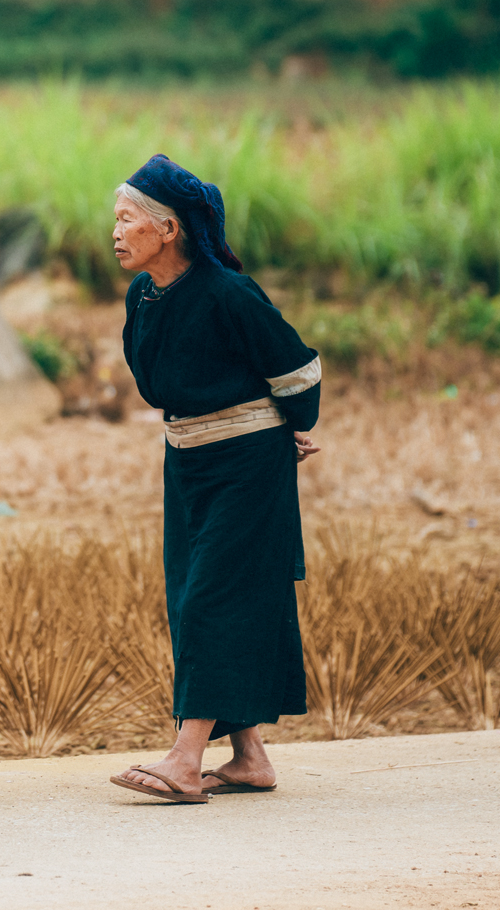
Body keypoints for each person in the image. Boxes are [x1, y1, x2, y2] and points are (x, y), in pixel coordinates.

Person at [108, 154, 323, 804]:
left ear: (167, 229)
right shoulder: (143, 296)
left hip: (248, 468)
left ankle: (185, 757)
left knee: (212, 599)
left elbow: (299, 372)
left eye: (126, 219)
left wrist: (285, 426)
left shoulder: (229, 293)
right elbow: (156, 386)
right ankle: (249, 756)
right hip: (189, 463)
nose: (115, 232)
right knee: (190, 596)